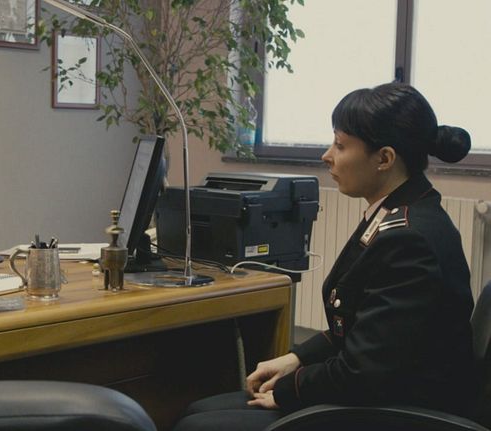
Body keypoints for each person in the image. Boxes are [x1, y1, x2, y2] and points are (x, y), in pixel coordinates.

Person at [173, 82, 476, 430]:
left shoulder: (409, 239)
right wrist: (296, 357)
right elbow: (363, 330)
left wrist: (289, 390)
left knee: (197, 426)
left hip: (395, 411)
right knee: (197, 411)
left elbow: (363, 371)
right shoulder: (400, 211)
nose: (327, 155)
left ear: (384, 159)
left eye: (341, 145)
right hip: (379, 393)